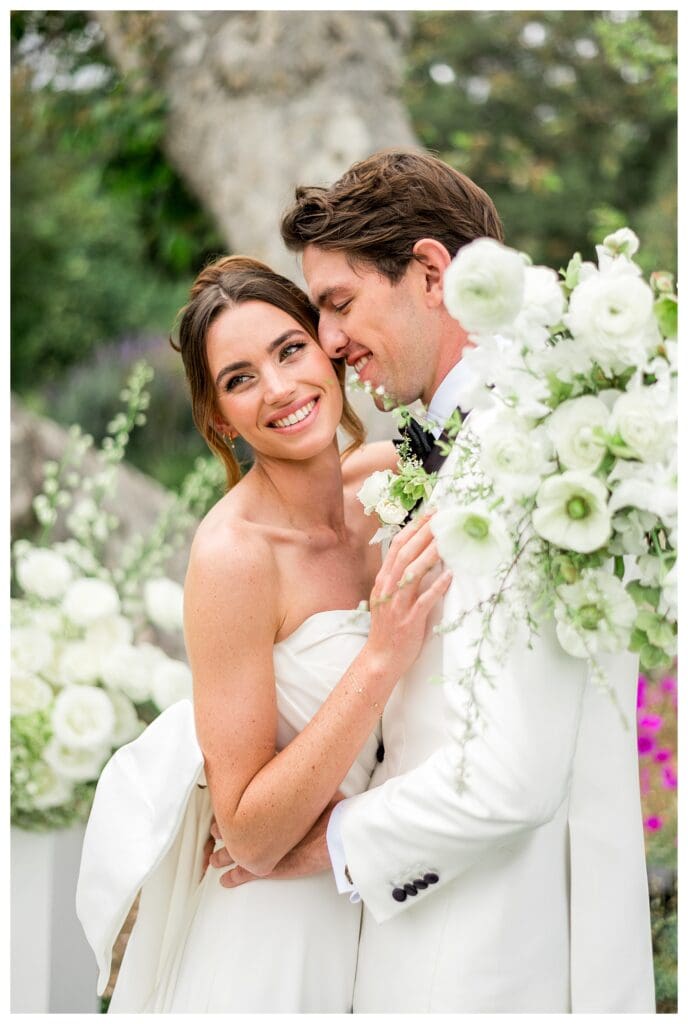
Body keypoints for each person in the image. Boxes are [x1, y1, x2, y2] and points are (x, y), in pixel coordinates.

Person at [211, 150, 656, 1012]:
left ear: (427, 271)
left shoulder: (520, 455)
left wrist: (326, 842)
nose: (331, 344)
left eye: (339, 304)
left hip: (478, 961)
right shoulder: (504, 429)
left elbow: (511, 778)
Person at [76, 255, 451, 1012]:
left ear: (329, 349)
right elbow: (244, 833)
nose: (280, 389)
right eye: (241, 379)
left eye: (289, 351)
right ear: (219, 418)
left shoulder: (390, 476)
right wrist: (379, 658)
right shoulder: (232, 559)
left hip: (389, 902)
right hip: (278, 934)